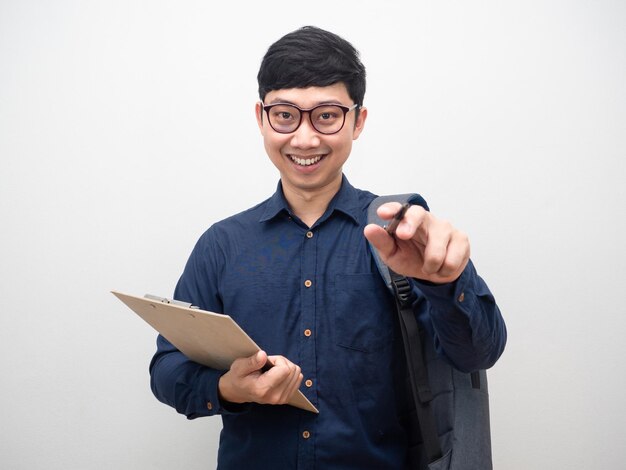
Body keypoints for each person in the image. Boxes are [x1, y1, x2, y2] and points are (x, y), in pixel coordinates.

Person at [149, 25, 506, 469]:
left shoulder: (401, 235)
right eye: (285, 115)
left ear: (358, 121)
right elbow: (166, 370)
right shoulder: (221, 245)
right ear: (260, 117)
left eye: (327, 115)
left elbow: (478, 354)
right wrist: (229, 389)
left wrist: (449, 281)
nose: (304, 139)